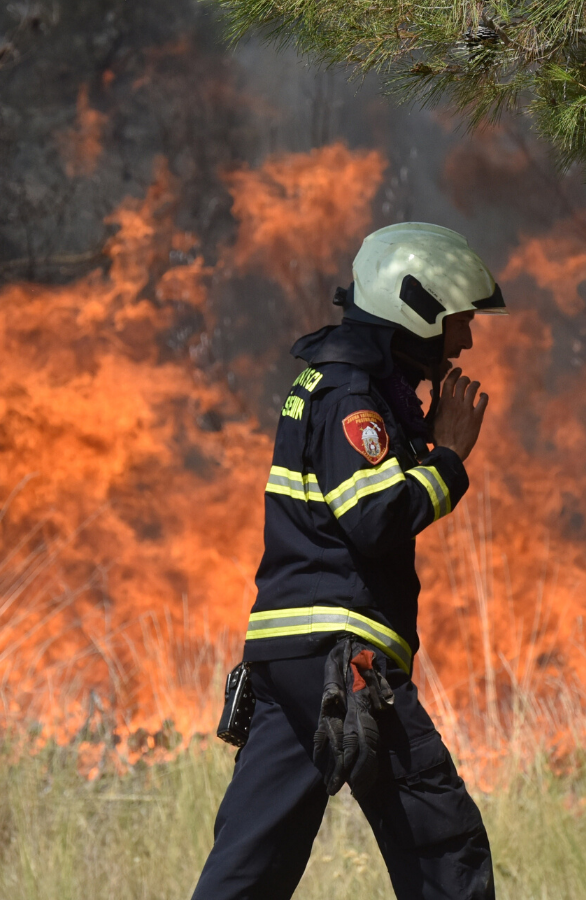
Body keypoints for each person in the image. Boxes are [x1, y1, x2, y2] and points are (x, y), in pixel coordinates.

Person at [193, 222, 508, 900]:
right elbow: (374, 518)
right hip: (342, 661)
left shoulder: (337, 384)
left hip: (292, 661)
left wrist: (422, 443)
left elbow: (355, 500)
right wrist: (449, 459)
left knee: (252, 864)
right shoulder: (348, 393)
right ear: (412, 309)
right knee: (441, 846)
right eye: (457, 320)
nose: (465, 341)